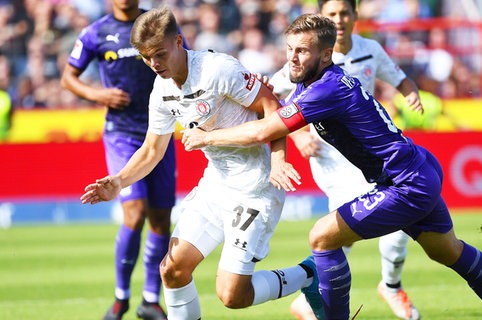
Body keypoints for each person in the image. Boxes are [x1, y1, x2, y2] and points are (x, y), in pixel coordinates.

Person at [180, 13, 482, 320]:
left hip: (404, 182)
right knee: (447, 250)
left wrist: (208, 137)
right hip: (417, 169)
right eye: (289, 49)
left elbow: (264, 130)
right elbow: (275, 101)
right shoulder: (317, 83)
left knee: (322, 237)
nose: (293, 58)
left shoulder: (325, 90)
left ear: (326, 53)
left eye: (302, 51)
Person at [80, 6, 325, 320]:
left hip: (254, 187)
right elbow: (152, 150)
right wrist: (118, 181)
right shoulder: (161, 90)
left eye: (159, 54)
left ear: (179, 42)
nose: (153, 63)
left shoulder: (218, 69)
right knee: (172, 270)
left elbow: (271, 107)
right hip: (216, 184)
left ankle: (308, 273)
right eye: (145, 56)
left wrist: (278, 160)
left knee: (232, 295)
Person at [270, 1, 422, 319]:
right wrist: (297, 135)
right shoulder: (306, 56)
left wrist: (410, 93)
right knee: (361, 227)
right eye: (332, 14)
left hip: (367, 155)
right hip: (330, 160)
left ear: (355, 16)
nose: (339, 20)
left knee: (350, 235)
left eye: (344, 13)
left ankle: (320, 297)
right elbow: (270, 97)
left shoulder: (370, 49)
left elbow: (400, 78)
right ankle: (385, 288)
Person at [60, 1, 184, 319]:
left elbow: (184, 60)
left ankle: (150, 299)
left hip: (160, 133)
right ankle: (121, 297)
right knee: (135, 212)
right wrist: (97, 95)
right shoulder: (94, 33)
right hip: (122, 135)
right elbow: (68, 78)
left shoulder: (157, 24)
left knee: (160, 218)